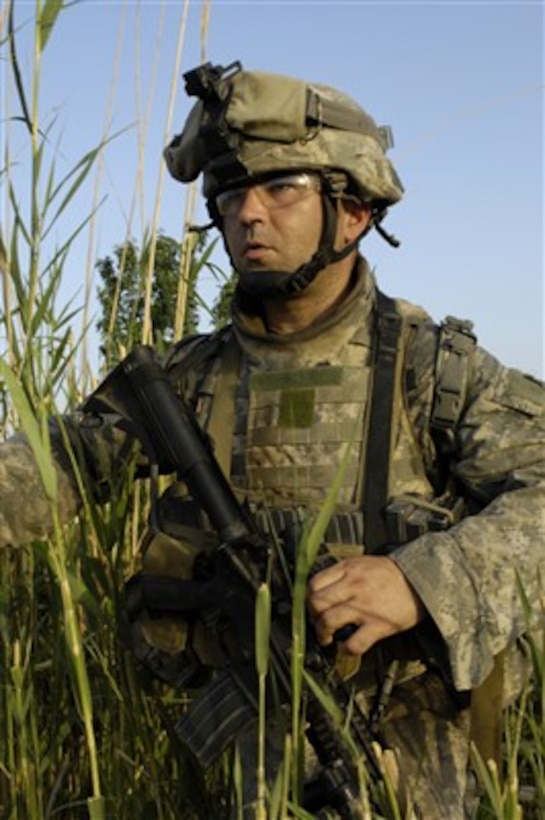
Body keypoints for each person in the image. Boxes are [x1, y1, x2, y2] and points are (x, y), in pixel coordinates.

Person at [1, 60, 544, 818]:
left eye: (281, 188)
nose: (248, 213)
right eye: (229, 194)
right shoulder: (184, 382)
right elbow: (54, 463)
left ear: (352, 211)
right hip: (241, 770)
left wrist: (424, 579)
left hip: (407, 775)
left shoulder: (431, 371)